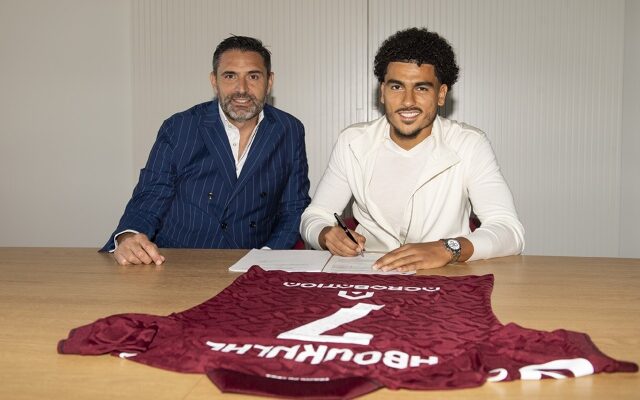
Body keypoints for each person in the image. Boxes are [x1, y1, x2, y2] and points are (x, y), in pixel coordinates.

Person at [300, 27, 524, 272]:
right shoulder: (352, 142)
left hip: (445, 277)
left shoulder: (469, 144)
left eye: (421, 88)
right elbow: (315, 215)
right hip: (370, 274)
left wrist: (447, 249)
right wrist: (326, 235)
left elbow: (509, 230)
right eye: (396, 87)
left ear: (441, 94)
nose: (408, 101)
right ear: (382, 92)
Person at [103, 35, 311, 266]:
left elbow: (294, 208)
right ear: (214, 81)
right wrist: (128, 236)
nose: (242, 89)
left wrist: (267, 256)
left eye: (253, 76)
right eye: (230, 76)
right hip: (177, 263)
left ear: (269, 81)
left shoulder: (289, 130)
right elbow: (151, 194)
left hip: (253, 263)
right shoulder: (179, 127)